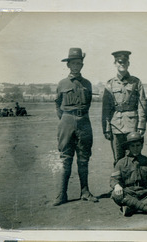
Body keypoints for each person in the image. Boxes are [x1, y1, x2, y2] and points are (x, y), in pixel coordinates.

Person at [53, 48, 98, 206]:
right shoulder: (62, 83)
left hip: (84, 121)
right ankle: (62, 194)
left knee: (84, 158)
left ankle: (85, 191)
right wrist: (66, 119)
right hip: (67, 121)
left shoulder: (87, 84)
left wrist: (79, 116)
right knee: (66, 158)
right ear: (68, 65)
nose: (76, 66)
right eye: (73, 63)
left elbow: (89, 102)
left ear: (82, 65)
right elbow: (58, 104)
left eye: (79, 63)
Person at [102, 50, 147, 166]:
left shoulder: (136, 82)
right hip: (116, 125)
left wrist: (141, 125)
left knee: (134, 155)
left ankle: (134, 182)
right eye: (119, 62)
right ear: (115, 63)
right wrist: (106, 128)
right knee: (118, 156)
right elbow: (106, 108)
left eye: (124, 62)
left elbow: (142, 104)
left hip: (132, 124)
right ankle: (119, 182)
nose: (122, 64)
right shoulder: (110, 84)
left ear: (128, 63)